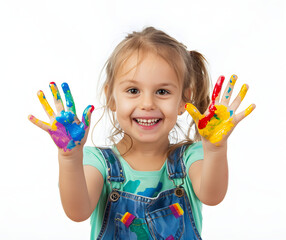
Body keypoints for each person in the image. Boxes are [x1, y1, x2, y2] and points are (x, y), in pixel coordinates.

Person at [28, 27, 255, 240]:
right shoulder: (98, 162)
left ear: (183, 101)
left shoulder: (191, 159)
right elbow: (77, 212)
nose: (147, 103)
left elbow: (213, 196)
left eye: (162, 91)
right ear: (111, 97)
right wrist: (69, 158)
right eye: (133, 90)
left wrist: (215, 149)